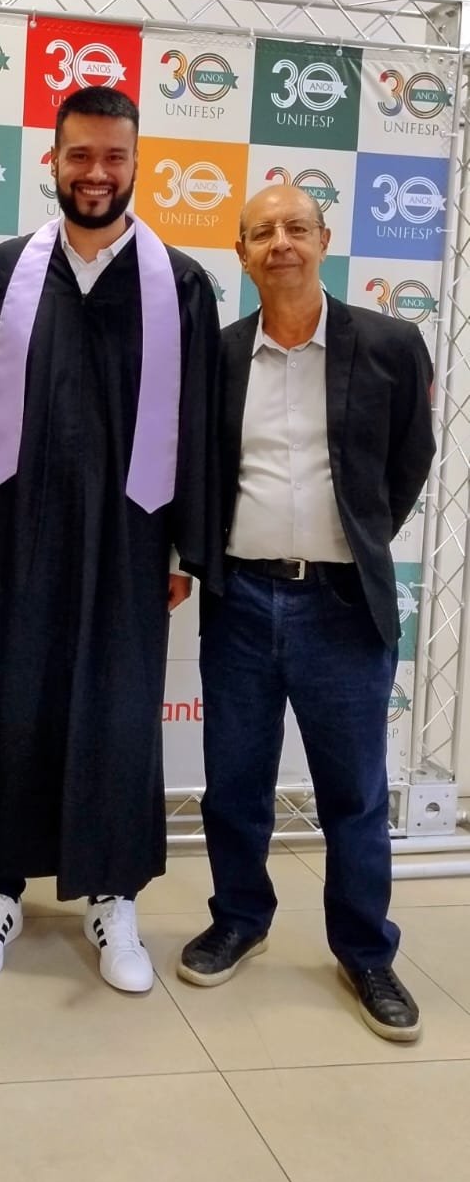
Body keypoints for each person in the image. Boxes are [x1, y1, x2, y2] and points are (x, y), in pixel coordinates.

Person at [0, 86, 220, 989]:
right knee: (9, 696)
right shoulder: (3, 274)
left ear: (136, 163)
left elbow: (198, 421)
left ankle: (113, 897)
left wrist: (183, 550)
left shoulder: (179, 283)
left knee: (117, 707)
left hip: (131, 534)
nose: (95, 173)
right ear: (53, 161)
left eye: (113, 156)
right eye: (79, 156)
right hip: (18, 524)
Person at [178, 183, 434, 1042]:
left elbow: (408, 462)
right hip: (241, 601)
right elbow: (200, 473)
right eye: (262, 233)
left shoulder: (389, 345)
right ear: (241, 254)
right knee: (234, 784)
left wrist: (353, 540)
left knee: (352, 794)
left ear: (323, 240)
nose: (280, 243)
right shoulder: (218, 356)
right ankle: (238, 919)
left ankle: (364, 951)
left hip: (341, 604)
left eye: (295, 228)